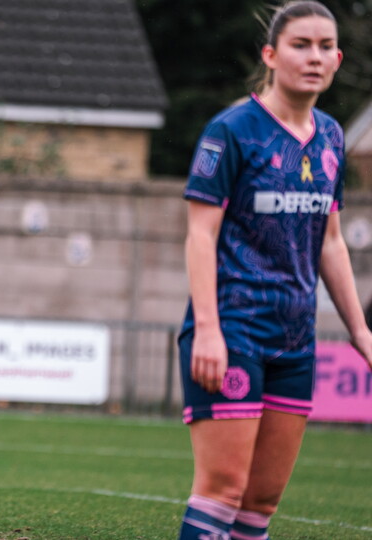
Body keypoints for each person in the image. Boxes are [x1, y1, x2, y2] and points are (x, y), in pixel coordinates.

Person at [176, 2, 372, 539]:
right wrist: (209, 330)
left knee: (260, 503)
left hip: (295, 340)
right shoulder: (232, 131)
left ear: (338, 59)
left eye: (325, 46)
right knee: (222, 491)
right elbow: (200, 236)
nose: (314, 57)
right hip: (233, 332)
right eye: (300, 45)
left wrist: (360, 331)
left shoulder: (332, 137)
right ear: (270, 55)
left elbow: (330, 241)